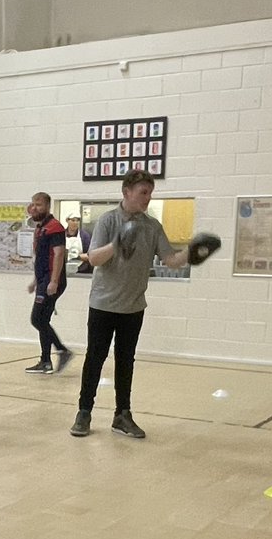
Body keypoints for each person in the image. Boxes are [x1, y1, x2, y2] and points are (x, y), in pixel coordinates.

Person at [69, 169, 195, 439]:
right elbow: (94, 259)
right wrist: (117, 243)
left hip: (134, 307)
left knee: (126, 361)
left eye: (150, 193)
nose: (148, 198)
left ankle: (122, 415)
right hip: (103, 304)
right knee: (95, 358)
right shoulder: (108, 220)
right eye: (143, 193)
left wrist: (191, 253)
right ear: (126, 192)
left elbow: (170, 259)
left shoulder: (152, 226)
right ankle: (84, 412)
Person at [24, 192, 72, 375]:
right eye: (33, 204)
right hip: (44, 280)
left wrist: (53, 281)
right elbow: (42, 259)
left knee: (37, 319)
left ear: (47, 207)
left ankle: (62, 350)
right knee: (43, 320)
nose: (35, 207)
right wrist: (36, 281)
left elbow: (59, 254)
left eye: (39, 205)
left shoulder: (55, 228)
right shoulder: (40, 228)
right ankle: (45, 361)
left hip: (53, 281)